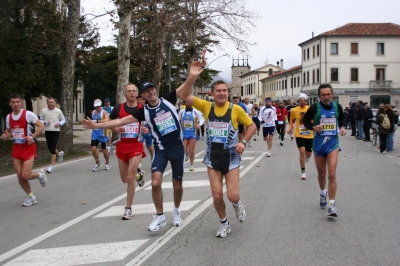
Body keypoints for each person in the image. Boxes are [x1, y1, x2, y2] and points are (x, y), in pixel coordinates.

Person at [82, 59, 205, 232]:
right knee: (155, 183)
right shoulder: (144, 111)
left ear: (156, 90)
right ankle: (160, 216)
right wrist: (96, 125)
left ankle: (176, 211)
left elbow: (185, 88)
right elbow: (120, 120)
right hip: (161, 150)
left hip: (177, 149)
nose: (151, 92)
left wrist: (192, 75)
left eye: (152, 89)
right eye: (147, 91)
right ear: (144, 96)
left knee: (177, 186)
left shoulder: (168, 99)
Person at [181, 77, 256, 238]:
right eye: (218, 91)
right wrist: (192, 76)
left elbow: (252, 126)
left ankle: (237, 204)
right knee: (216, 195)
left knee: (232, 195)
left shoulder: (236, 109)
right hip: (212, 157)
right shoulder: (207, 106)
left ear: (228, 93)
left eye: (224, 91)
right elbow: (184, 94)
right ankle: (224, 223)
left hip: (231, 157)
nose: (222, 93)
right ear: (212, 93)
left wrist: (243, 142)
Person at [303, 84, 346, 217]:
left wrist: (343, 127)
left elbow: (342, 119)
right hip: (319, 145)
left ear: (332, 95)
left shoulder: (337, 107)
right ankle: (323, 193)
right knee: (321, 175)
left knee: (331, 175)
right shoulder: (315, 107)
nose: (326, 97)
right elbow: (305, 121)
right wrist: (313, 127)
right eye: (323, 95)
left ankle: (332, 205)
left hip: (333, 144)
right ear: (319, 96)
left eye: (328, 94)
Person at [108, 84, 146, 220]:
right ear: (124, 94)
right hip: (122, 145)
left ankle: (128, 208)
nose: (131, 93)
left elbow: (149, 122)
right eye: (129, 91)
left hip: (136, 145)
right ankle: (139, 175)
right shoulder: (118, 108)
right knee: (125, 179)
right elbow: (109, 122)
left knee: (130, 175)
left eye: (134, 91)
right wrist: (116, 129)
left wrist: (146, 130)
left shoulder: (142, 108)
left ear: (137, 94)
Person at [2, 93, 47, 207]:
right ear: (10, 104)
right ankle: (31, 196)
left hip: (28, 148)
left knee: (25, 175)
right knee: (19, 175)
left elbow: (41, 126)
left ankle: (39, 174)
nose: (15, 104)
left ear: (21, 102)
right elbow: (9, 130)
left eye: (17, 102)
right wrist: (6, 135)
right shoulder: (9, 117)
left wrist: (33, 136)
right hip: (17, 148)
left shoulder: (28, 114)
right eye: (13, 102)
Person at [287, 93, 313, 180]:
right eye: (300, 100)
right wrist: (290, 128)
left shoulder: (310, 109)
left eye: (304, 100)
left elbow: (313, 119)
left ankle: (307, 156)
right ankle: (303, 172)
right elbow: (291, 119)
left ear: (306, 101)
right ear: (298, 101)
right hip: (299, 134)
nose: (302, 101)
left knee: (308, 154)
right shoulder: (294, 110)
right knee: (302, 152)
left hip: (309, 134)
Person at [40, 97, 65, 173]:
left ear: (55, 103)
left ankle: (51, 166)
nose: (50, 104)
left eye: (52, 102)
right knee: (50, 148)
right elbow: (40, 120)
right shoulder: (43, 111)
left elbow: (63, 120)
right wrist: (44, 122)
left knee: (53, 148)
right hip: (48, 131)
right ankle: (60, 153)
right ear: (47, 103)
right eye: (49, 102)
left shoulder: (58, 111)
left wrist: (59, 123)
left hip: (55, 131)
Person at [178, 102, 204, 171]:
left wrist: (199, 125)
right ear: (185, 104)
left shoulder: (196, 112)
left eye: (189, 104)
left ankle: (191, 164)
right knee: (183, 149)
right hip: (184, 133)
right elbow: (177, 120)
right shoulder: (181, 112)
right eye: (187, 104)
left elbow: (202, 119)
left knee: (191, 150)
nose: (188, 105)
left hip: (193, 133)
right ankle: (186, 155)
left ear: (192, 104)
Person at [90, 99, 111, 171]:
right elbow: (91, 121)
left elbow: (106, 120)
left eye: (98, 106)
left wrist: (96, 121)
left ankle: (107, 163)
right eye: (96, 106)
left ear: (100, 105)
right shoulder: (93, 112)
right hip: (95, 133)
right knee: (93, 149)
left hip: (103, 133)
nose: (97, 107)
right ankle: (97, 162)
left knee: (104, 150)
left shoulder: (104, 112)